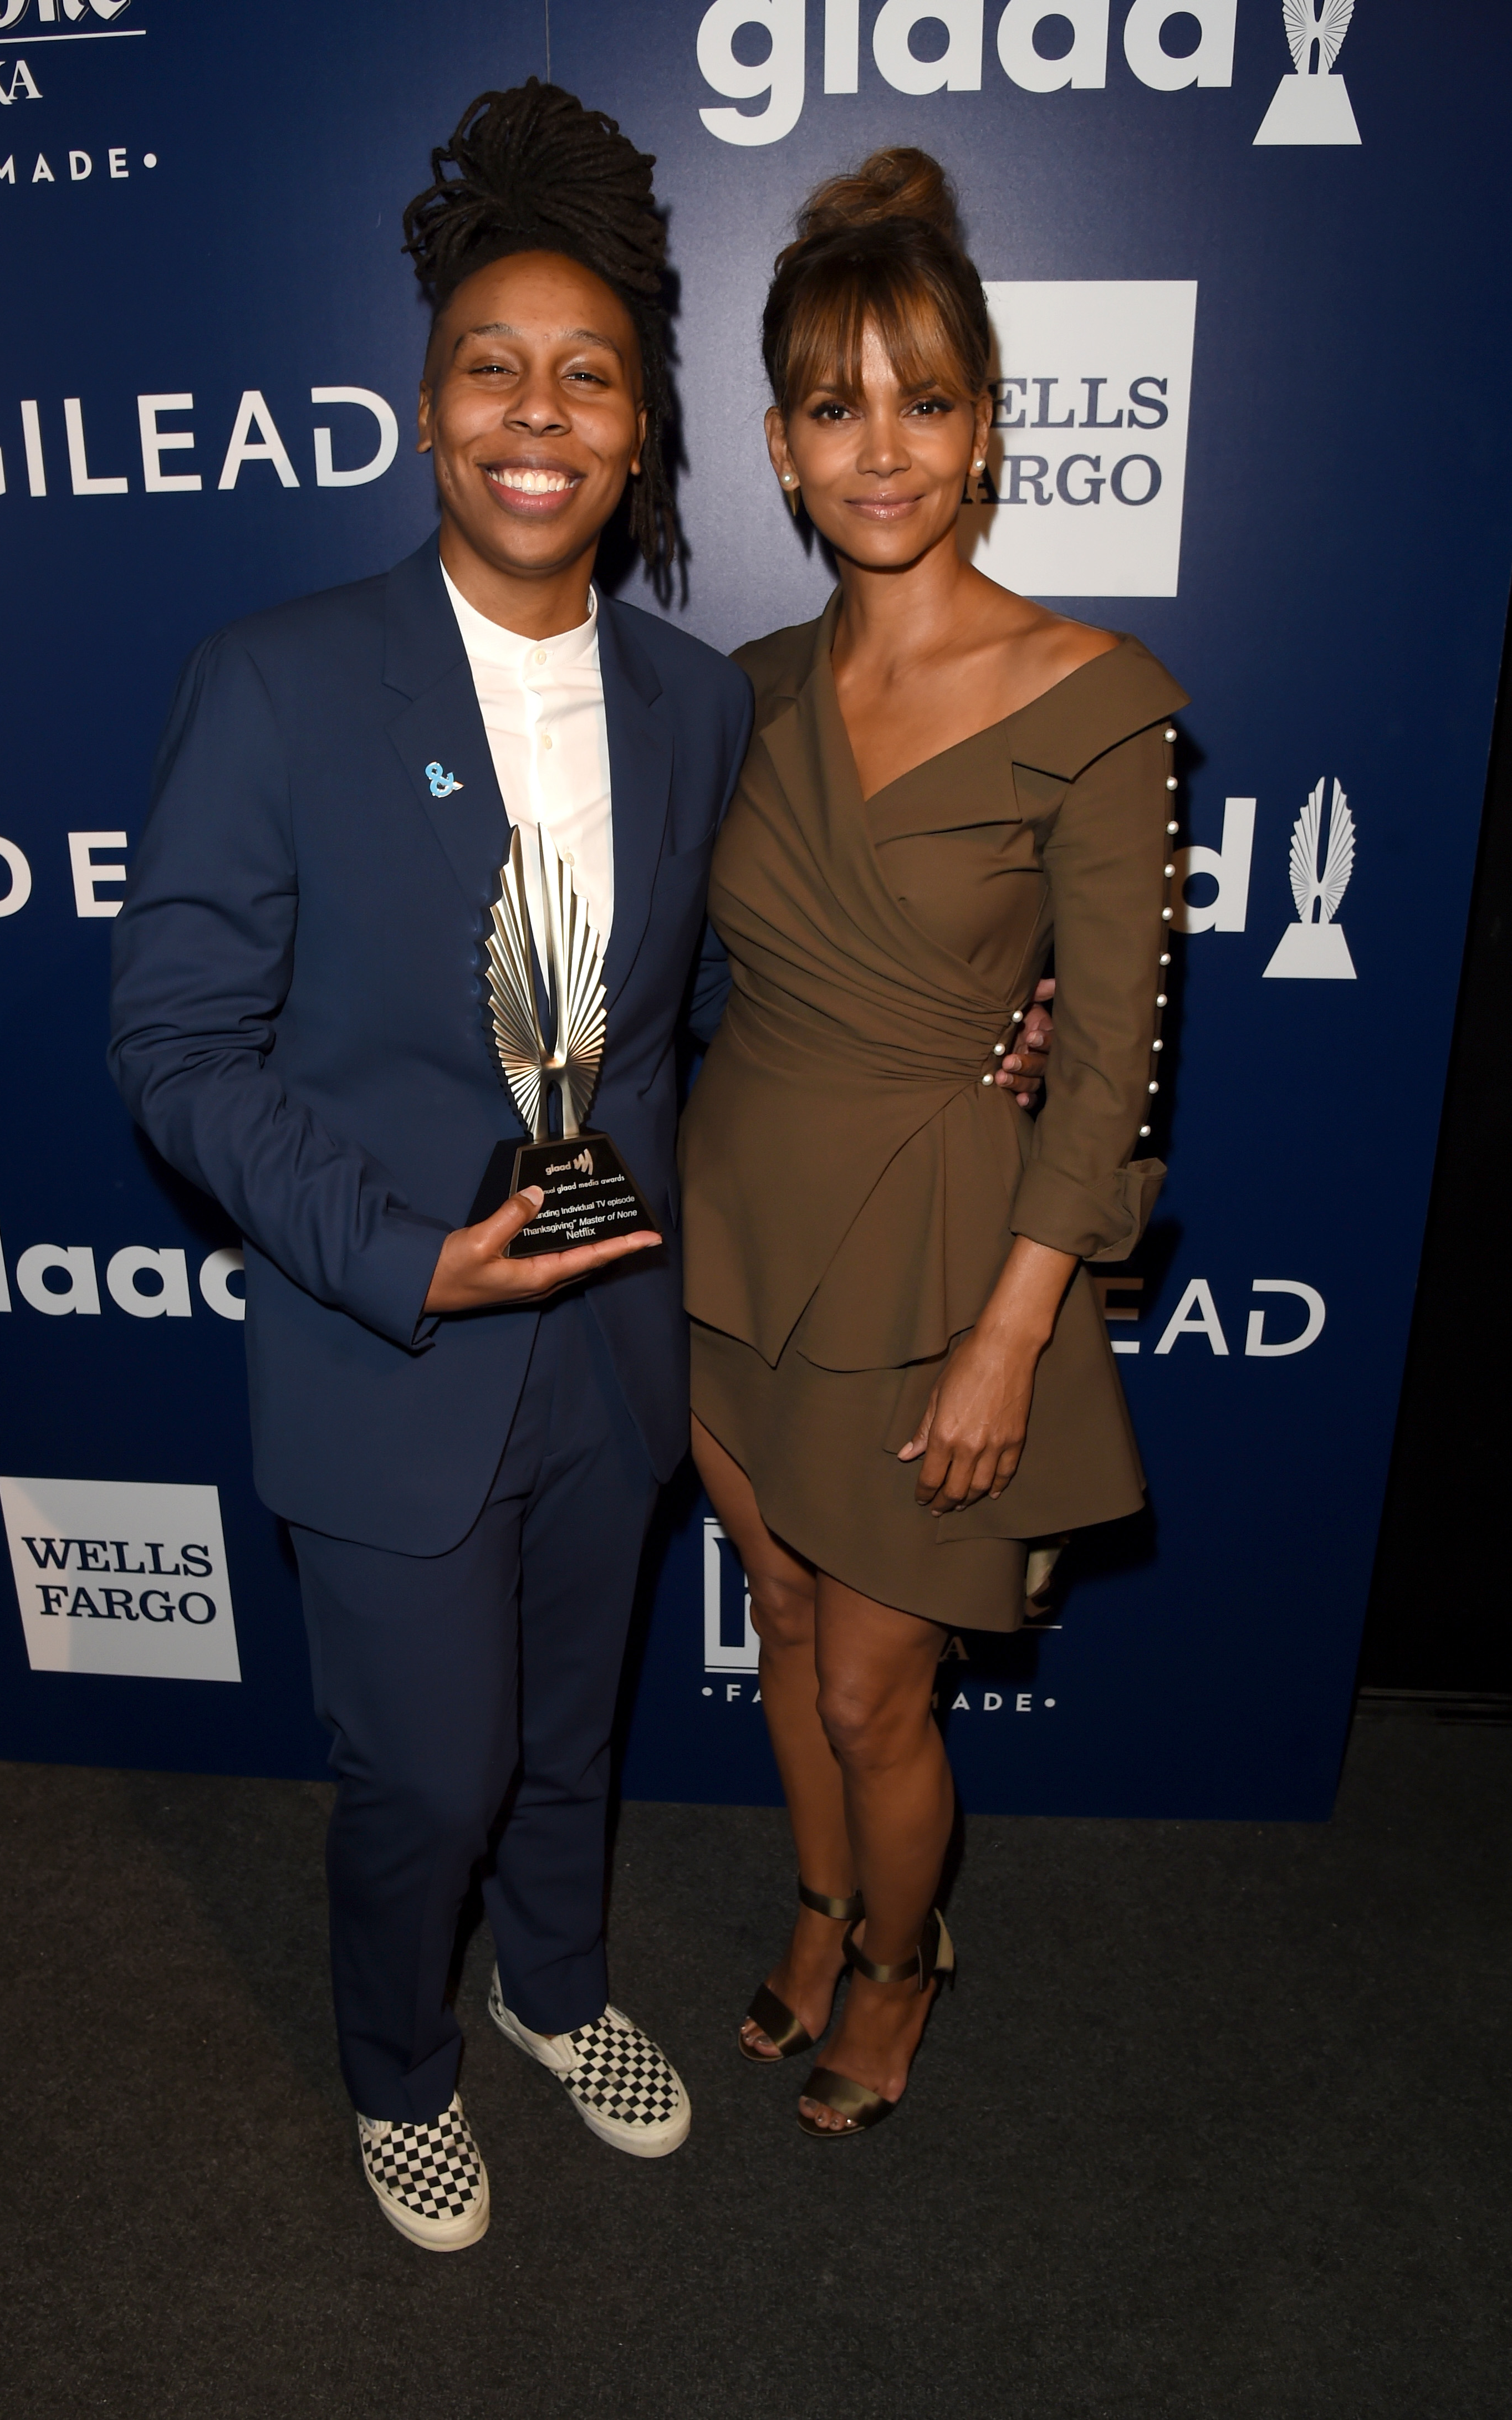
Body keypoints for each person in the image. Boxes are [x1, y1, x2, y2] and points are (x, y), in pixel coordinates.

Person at [108, 82, 759, 2251]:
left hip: (616, 1343)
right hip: (390, 1348)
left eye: (587, 371)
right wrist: (410, 1259)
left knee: (573, 1737)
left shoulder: (695, 705)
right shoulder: (275, 685)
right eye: (492, 362)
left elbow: (697, 1014)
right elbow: (178, 1053)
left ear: (640, 433)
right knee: (428, 1776)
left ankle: (554, 1993)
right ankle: (402, 2061)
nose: (536, 407)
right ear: (422, 410)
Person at [680, 150, 1188, 2138]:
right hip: (731, 1240)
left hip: (935, 1283)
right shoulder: (736, 699)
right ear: (783, 450)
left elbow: (1114, 1065)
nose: (878, 448)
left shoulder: (1096, 704)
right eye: (831, 405)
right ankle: (819, 1905)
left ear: (984, 429)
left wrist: (1010, 1334)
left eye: (922, 399)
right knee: (786, 1628)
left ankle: (901, 1961)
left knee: (877, 1685)